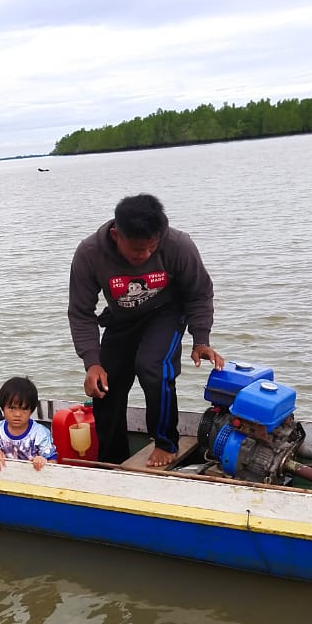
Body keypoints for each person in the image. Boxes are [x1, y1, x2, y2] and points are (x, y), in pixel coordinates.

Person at [67, 193, 224, 467]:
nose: (147, 254)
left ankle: (165, 441)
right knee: (106, 384)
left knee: (153, 367)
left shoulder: (178, 245)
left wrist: (201, 339)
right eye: (139, 250)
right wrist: (92, 362)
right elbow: (81, 312)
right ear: (117, 235)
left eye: (153, 247)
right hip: (122, 317)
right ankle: (112, 458)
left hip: (167, 313)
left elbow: (199, 293)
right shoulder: (90, 253)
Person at [0, 376, 57, 471]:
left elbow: (53, 462)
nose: (17, 414)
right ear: (2, 407)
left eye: (24, 409)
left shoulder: (40, 433)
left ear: (31, 410)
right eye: (12, 408)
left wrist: (43, 460)